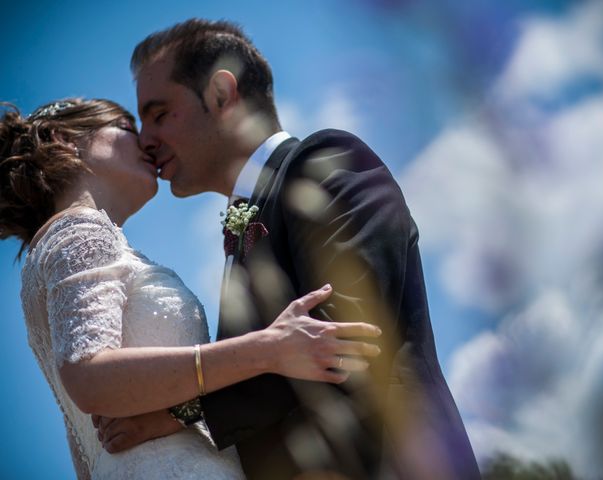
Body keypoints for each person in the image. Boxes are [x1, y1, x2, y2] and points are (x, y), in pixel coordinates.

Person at [99, 19, 480, 479]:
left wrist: (179, 412)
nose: (146, 139)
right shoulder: (245, 221)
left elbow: (339, 335)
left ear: (222, 95)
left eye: (159, 114)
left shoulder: (325, 162)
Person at [0, 98, 383, 479]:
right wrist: (268, 348)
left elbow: (86, 451)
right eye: (128, 128)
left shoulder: (57, 248)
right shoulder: (80, 232)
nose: (147, 143)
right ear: (63, 138)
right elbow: (88, 377)